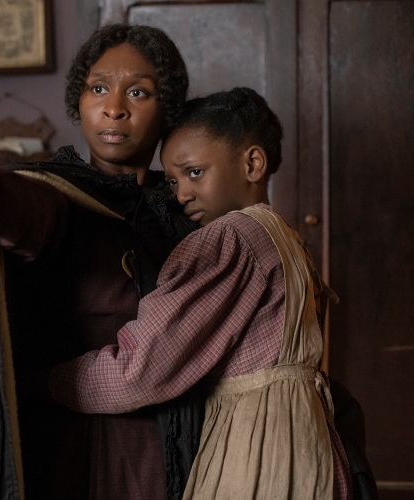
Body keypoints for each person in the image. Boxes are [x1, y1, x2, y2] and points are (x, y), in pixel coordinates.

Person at [0, 24, 202, 500]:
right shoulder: (60, 198)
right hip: (74, 455)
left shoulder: (185, 211)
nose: (114, 107)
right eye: (98, 88)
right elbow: (14, 206)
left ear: (169, 110)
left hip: (179, 449)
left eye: (138, 92)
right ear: (79, 100)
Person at [46, 87, 354, 499]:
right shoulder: (286, 239)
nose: (181, 195)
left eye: (194, 173)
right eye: (173, 180)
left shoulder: (229, 238)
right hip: (310, 448)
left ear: (252, 163)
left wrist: (51, 380)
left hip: (257, 450)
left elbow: (143, 368)